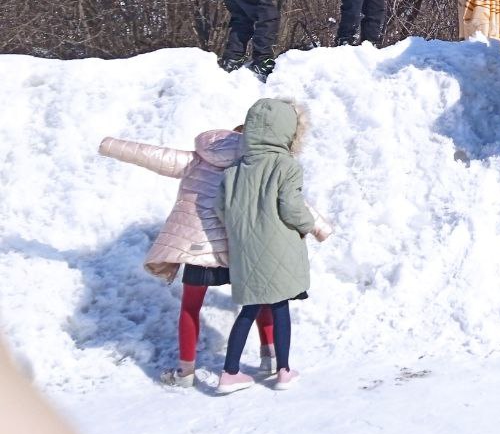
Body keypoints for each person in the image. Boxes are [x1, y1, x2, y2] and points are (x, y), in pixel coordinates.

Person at [97, 128, 328, 386]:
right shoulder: (256, 164)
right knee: (262, 299)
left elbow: (152, 155)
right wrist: (320, 227)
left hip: (197, 250)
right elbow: (292, 199)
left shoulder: (197, 158)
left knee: (190, 308)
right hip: (240, 247)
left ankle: (186, 372)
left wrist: (110, 145)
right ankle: (270, 358)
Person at [215, 99, 327, 393]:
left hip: (245, 251)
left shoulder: (234, 171)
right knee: (280, 307)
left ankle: (229, 373)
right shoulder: (286, 166)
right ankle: (284, 371)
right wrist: (306, 225)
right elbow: (290, 206)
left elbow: (220, 209)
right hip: (278, 246)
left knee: (248, 309)